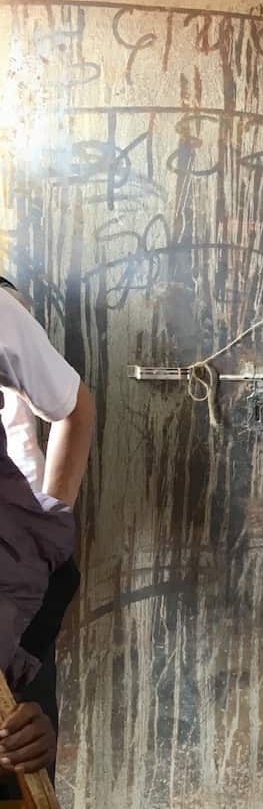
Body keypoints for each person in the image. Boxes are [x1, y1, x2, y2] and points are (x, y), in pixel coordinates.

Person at [0, 282, 94, 790]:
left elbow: (74, 408)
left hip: (17, 575)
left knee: (24, 734)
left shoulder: (1, 312)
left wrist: (51, 518)